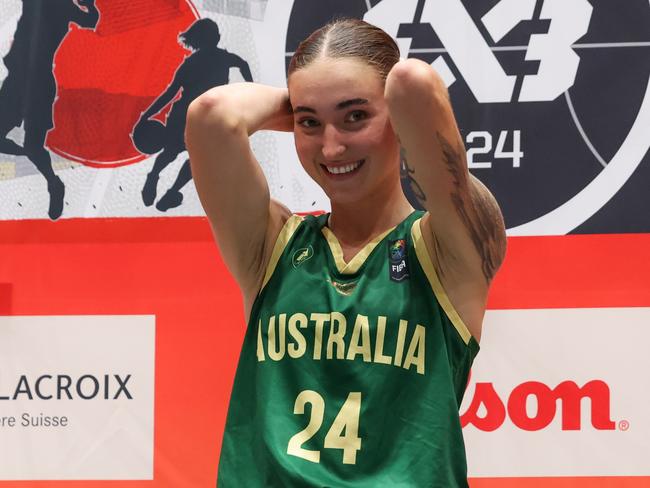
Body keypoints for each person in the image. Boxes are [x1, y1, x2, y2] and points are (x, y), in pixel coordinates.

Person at [186, 18, 506, 488]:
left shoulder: (447, 248)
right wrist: (300, 109)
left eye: (356, 116)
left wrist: (332, 104)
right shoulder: (272, 246)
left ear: (395, 116)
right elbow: (213, 114)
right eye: (310, 123)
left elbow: (415, 84)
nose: (332, 146)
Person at [136, 18, 252, 211]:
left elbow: (169, 94)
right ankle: (172, 190)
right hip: (208, 117)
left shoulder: (191, 63)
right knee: (198, 160)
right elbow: (243, 64)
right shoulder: (222, 57)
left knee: (171, 152)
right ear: (215, 37)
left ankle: (154, 175)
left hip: (184, 114)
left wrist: (145, 115)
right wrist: (250, 86)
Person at [0, 0, 99, 220]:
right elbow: (91, 20)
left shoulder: (64, 6)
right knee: (28, 147)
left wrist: (90, 5)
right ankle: (32, 157)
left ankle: (53, 183)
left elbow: (93, 21)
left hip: (38, 83)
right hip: (17, 80)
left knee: (34, 146)